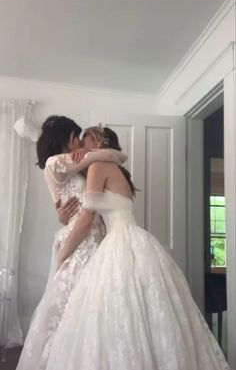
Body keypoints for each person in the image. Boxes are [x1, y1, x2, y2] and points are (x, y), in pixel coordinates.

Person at [44, 126, 230, 370]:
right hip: (136, 239)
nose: (81, 150)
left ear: (98, 143)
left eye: (85, 143)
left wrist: (63, 252)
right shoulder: (121, 173)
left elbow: (87, 217)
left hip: (117, 241)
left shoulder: (98, 168)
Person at [16, 116, 127, 370]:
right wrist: (92, 151)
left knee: (91, 308)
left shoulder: (73, 166)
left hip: (90, 237)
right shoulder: (56, 162)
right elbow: (118, 157)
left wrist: (62, 215)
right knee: (73, 308)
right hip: (81, 240)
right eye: (77, 137)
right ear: (68, 138)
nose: (79, 142)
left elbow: (69, 205)